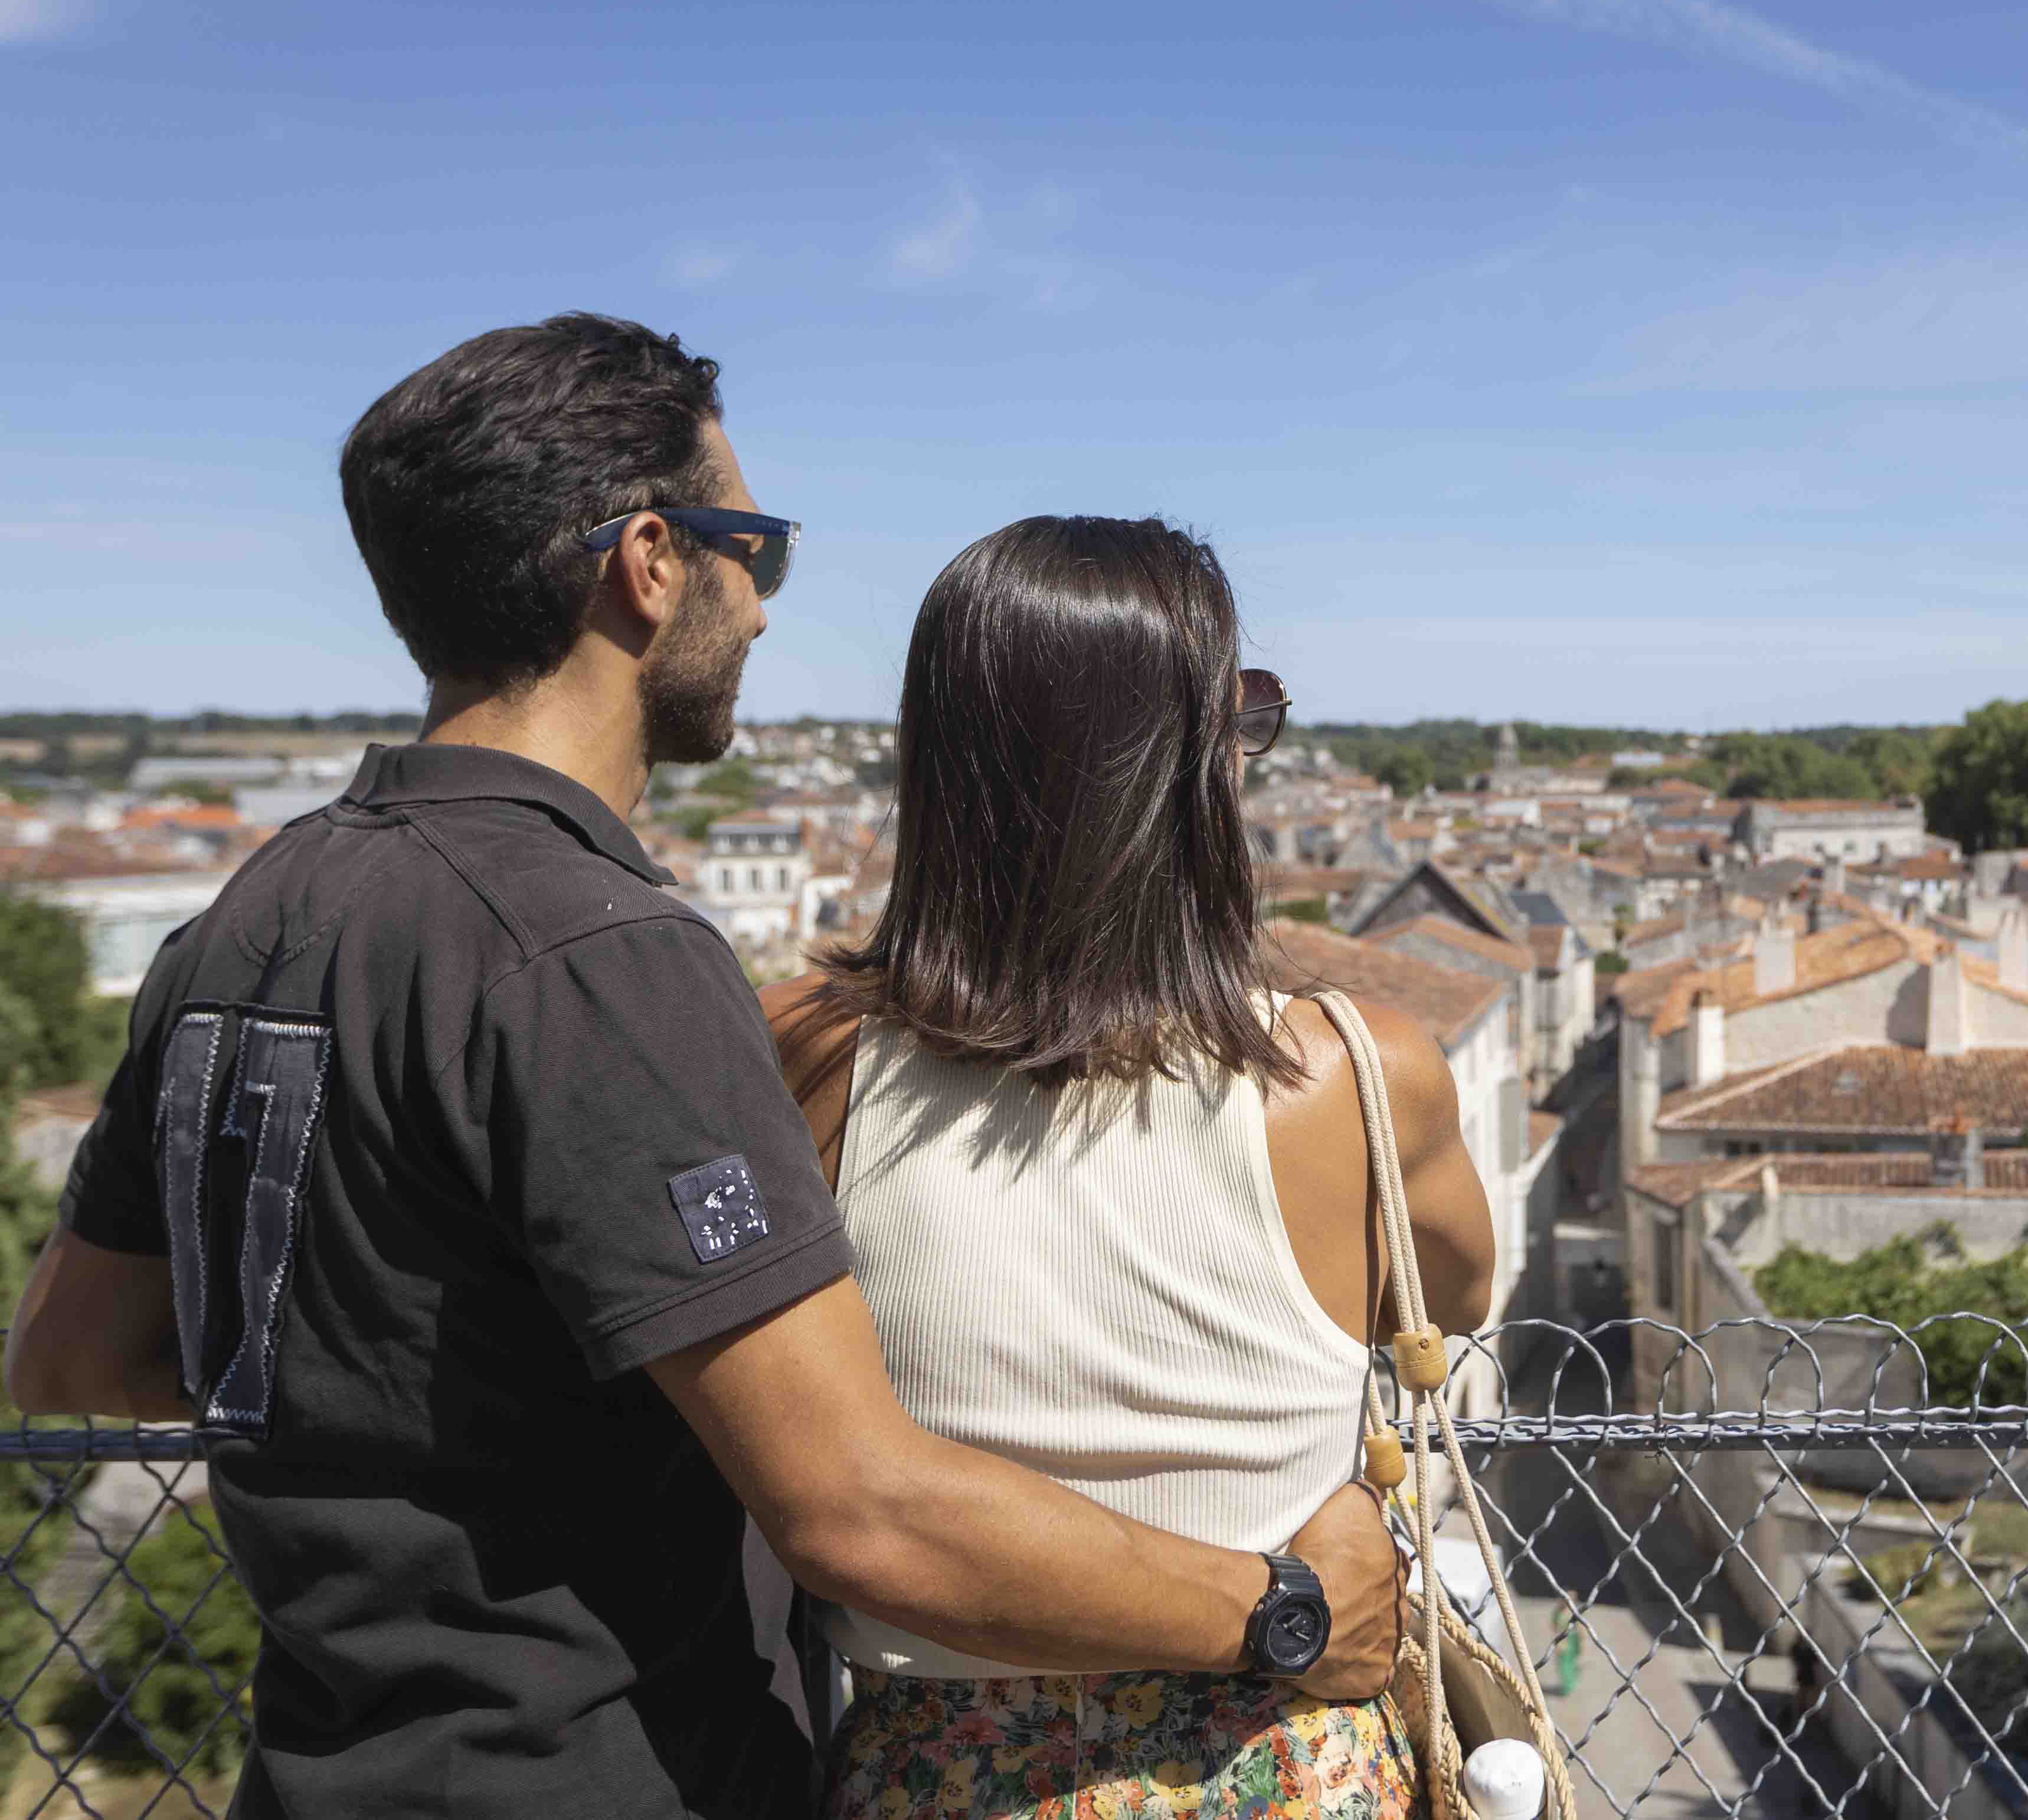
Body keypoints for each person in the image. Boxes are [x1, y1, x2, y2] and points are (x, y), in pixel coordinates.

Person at [6, 316, 1399, 1818]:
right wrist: (1278, 1609)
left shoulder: (247, 919)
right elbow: (856, 1509)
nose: (763, 610)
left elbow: (71, 1360)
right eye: (758, 550)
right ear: (651, 560)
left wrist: (410, 1379)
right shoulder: (602, 958)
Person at [760, 516, 1496, 1820]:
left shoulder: (805, 1056)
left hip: (940, 1768)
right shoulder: (1359, 1074)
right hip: (1289, 1744)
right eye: (1238, 716)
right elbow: (1453, 1297)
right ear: (1191, 770)